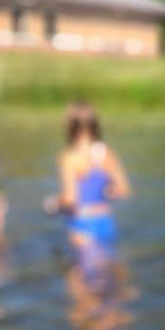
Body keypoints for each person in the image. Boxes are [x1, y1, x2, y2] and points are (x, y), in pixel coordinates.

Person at [47, 100, 131, 271]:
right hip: (106, 222)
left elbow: (71, 199)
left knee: (79, 284)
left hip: (83, 226)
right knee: (109, 275)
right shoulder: (106, 153)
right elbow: (124, 190)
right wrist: (107, 191)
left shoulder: (69, 157)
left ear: (70, 126)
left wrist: (54, 203)